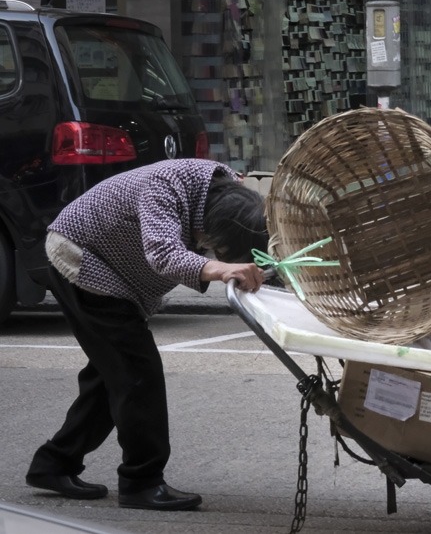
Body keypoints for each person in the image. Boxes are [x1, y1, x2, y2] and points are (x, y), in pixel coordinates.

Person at [25, 158, 268, 511]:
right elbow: (163, 253)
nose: (207, 248)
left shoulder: (229, 194)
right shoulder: (165, 186)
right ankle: (141, 482)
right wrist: (218, 268)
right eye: (211, 244)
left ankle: (53, 464)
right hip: (83, 260)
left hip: (116, 271)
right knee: (138, 376)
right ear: (209, 223)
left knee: (111, 377)